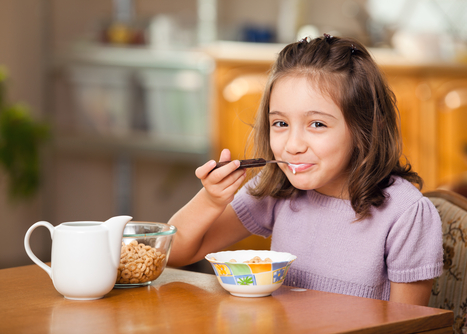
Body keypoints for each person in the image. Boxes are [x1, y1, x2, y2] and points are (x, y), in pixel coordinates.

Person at [167, 34, 443, 306]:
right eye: (281, 124)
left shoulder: (406, 215)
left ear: (366, 128)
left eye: (317, 124)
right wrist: (211, 199)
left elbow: (408, 324)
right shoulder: (275, 188)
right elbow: (172, 254)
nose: (293, 145)